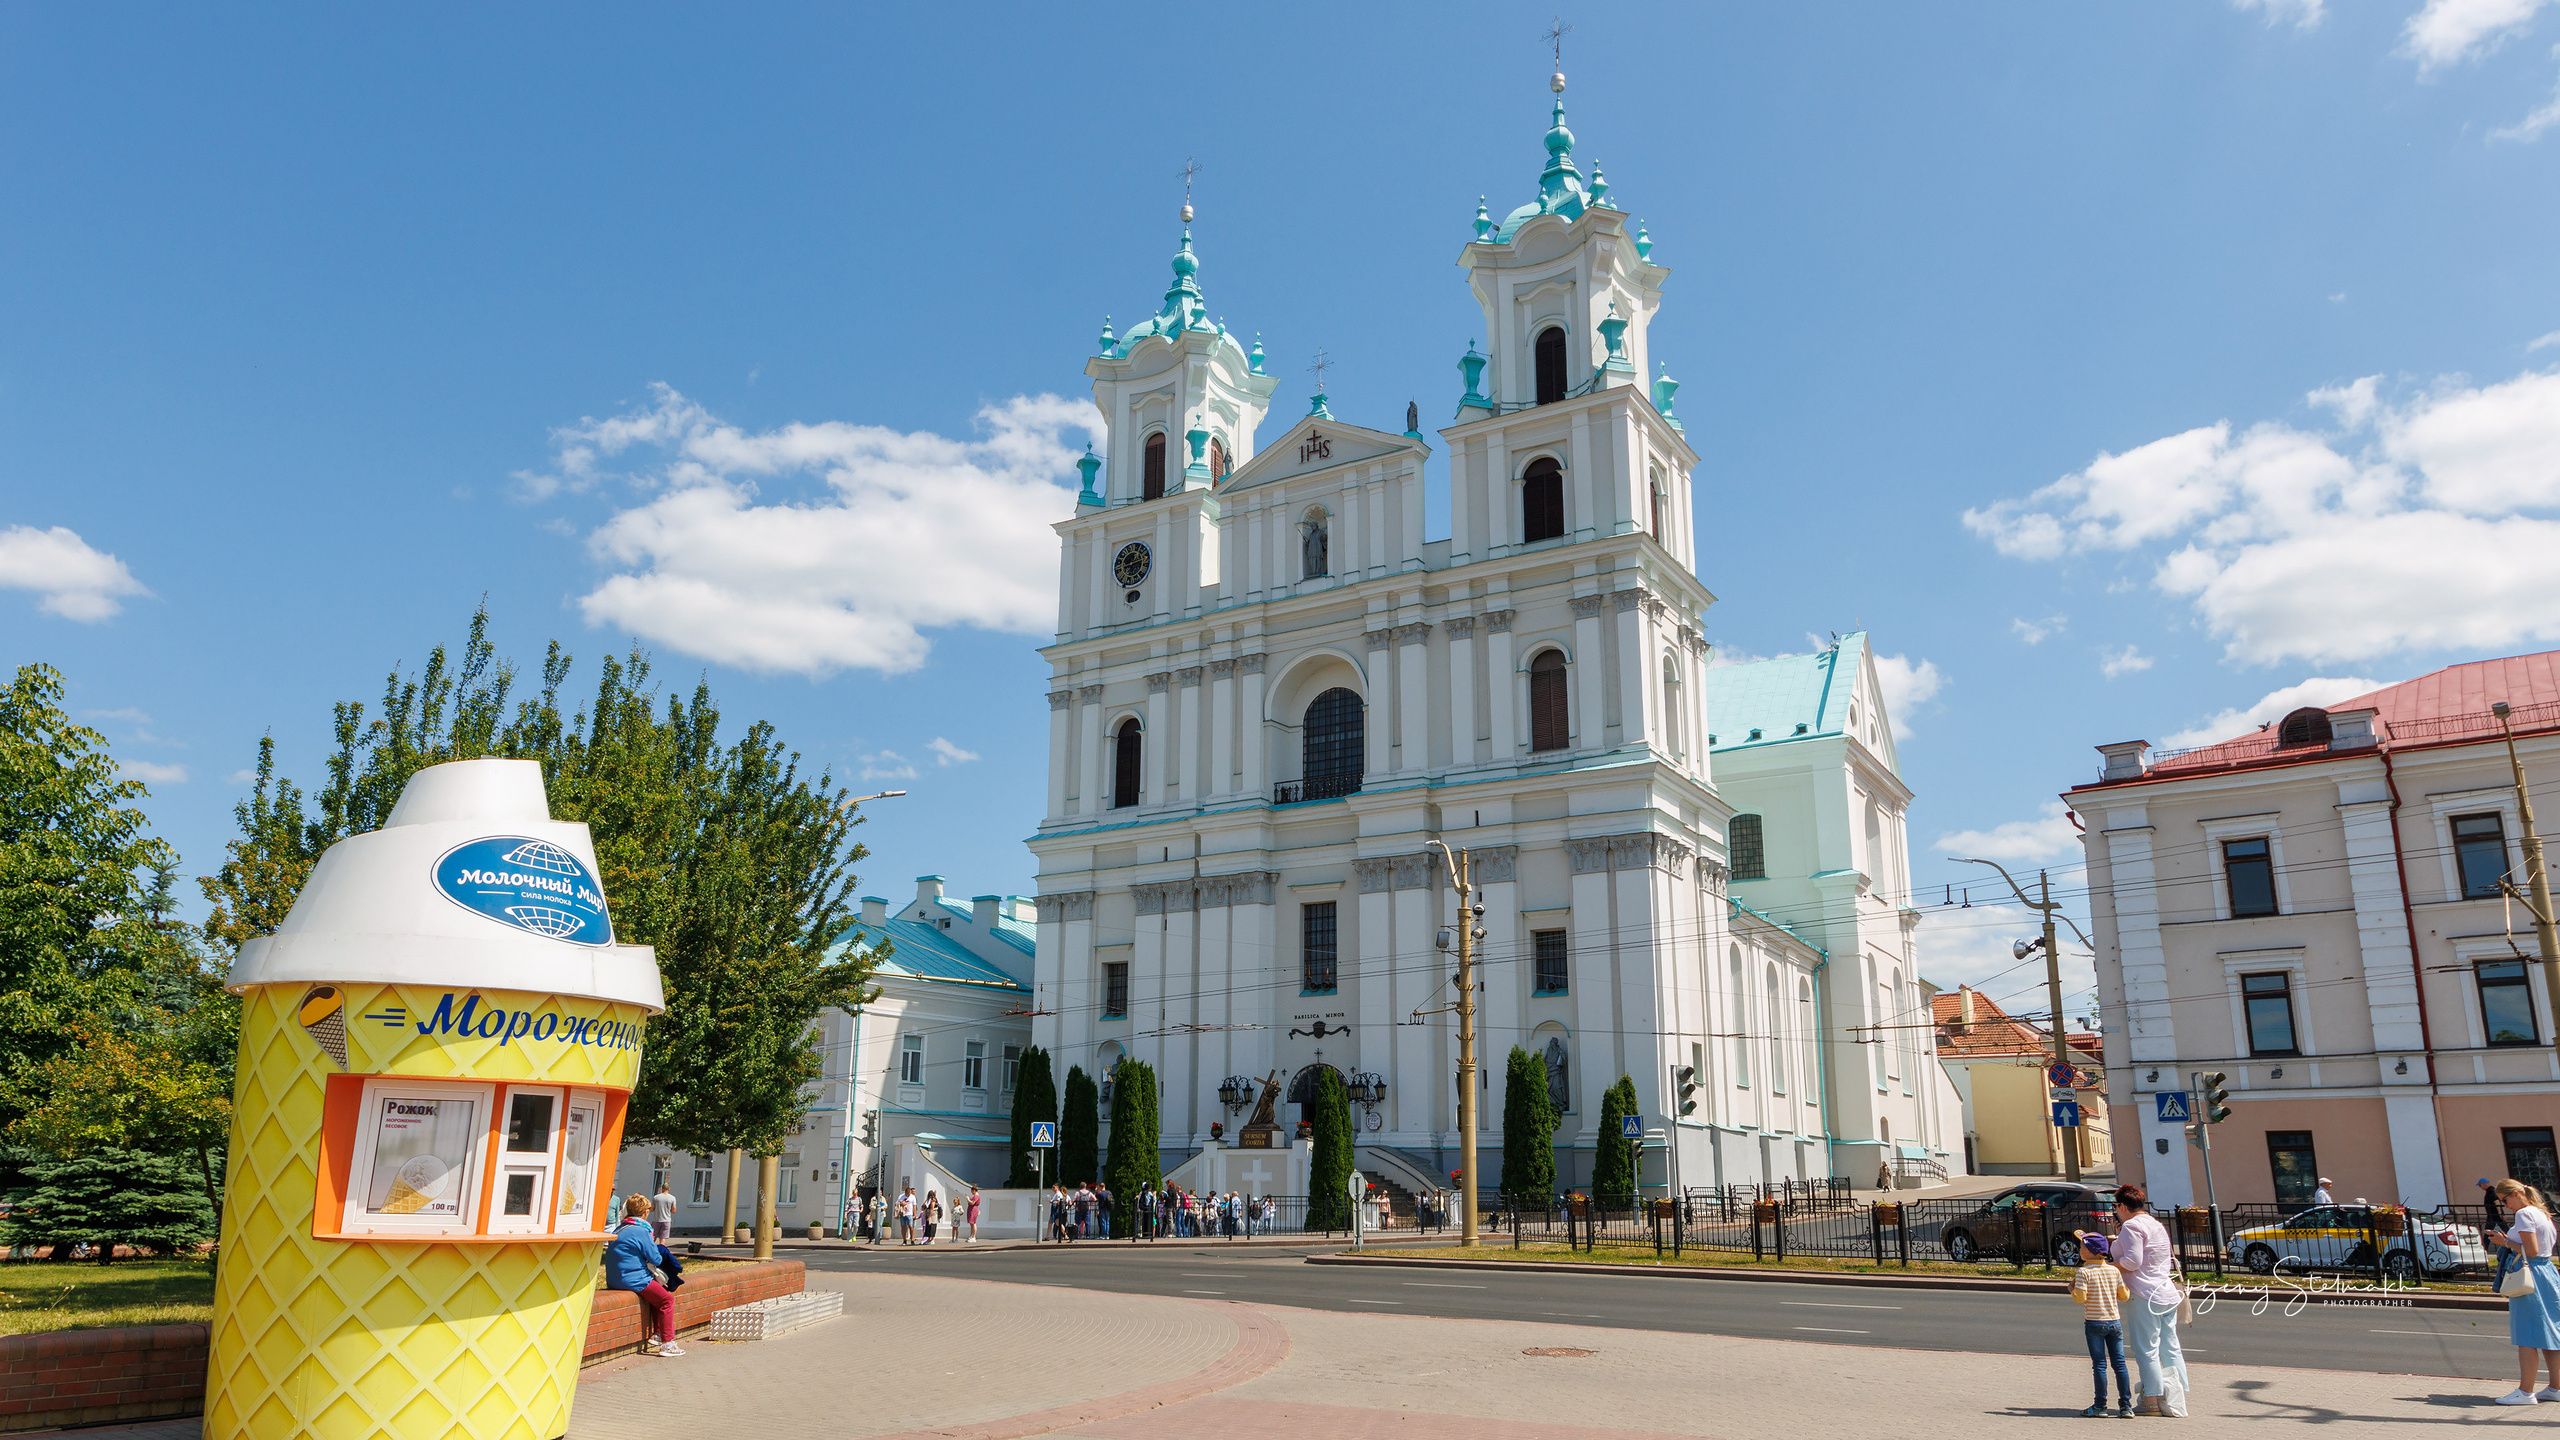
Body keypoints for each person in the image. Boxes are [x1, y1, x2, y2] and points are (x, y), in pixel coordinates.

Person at [2110, 1184, 2186, 1417]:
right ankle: (2177, 1394)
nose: (2116, 1211)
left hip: (2143, 1293)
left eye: (2116, 1207)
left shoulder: (2132, 1226)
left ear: (2123, 1206)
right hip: (2165, 1291)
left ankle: (2151, 1400)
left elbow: (2132, 1262)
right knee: (2170, 1346)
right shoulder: (2155, 1223)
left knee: (2146, 1349)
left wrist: (2107, 1268)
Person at [2487, 1178, 2560, 1405]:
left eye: (2505, 1200)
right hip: (2546, 1273)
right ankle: (2556, 1389)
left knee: (2526, 1335)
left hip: (2529, 1276)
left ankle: (2525, 1392)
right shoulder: (2541, 1212)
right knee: (2550, 1335)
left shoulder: (2524, 1214)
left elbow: (2531, 1250)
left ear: (2517, 1194)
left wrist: (2504, 1242)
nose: (2505, 1206)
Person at [605, 1195, 684, 1358]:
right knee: (666, 1300)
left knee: (658, 1294)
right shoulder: (641, 1230)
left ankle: (657, 1334)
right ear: (644, 1212)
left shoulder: (620, 1228)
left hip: (614, 1278)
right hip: (633, 1279)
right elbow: (656, 1258)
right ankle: (667, 1343)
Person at [2070, 1231, 2133, 1417]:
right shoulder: (2114, 1271)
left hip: (2094, 1324)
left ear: (2090, 1251)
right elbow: (2124, 1296)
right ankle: (2125, 1406)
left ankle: (2100, 1406)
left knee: (2099, 1364)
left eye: (2082, 1247)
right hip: (2114, 1322)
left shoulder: (2083, 1272)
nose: (2080, 1250)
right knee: (2120, 1364)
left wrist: (2071, 1289)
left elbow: (2080, 1298)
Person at [651, 1180, 677, 1245]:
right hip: (666, 1220)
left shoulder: (656, 1197)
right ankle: (662, 1252)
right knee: (662, 1238)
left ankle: (649, 1250)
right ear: (669, 1189)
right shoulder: (672, 1198)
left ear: (661, 1188)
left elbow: (651, 1209)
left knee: (653, 1237)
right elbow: (673, 1211)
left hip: (656, 1220)